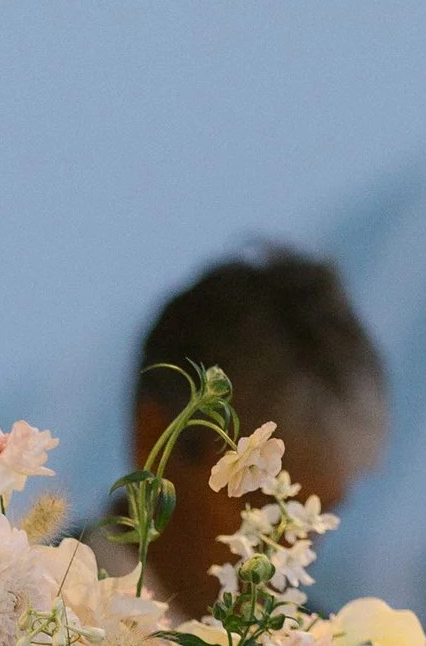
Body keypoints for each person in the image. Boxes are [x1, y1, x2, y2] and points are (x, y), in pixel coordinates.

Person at [117, 247, 389, 613]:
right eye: (263, 510)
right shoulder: (26, 618)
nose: (285, 559)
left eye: (315, 522)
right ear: (156, 443)